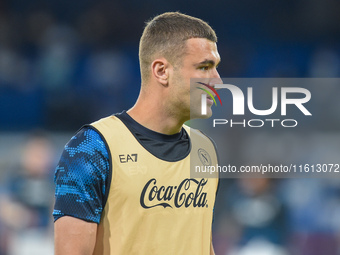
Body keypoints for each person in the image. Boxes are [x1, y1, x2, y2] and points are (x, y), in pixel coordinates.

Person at [53, 11, 221, 255]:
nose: (217, 79)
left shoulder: (205, 150)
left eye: (215, 67)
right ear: (162, 71)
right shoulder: (92, 148)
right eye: (204, 67)